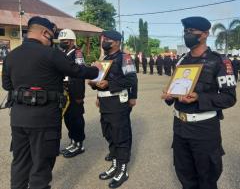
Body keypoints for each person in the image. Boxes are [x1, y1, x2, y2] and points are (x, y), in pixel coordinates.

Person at [1, 16, 101, 189]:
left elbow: (7, 85)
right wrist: (96, 70)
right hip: (44, 119)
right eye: (52, 36)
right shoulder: (51, 54)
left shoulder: (11, 56)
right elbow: (76, 70)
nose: (53, 41)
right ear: (45, 33)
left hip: (18, 119)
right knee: (41, 166)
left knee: (20, 162)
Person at [162, 16, 236, 189]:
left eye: (191, 31)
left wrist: (199, 97)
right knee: (185, 175)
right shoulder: (182, 60)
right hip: (179, 127)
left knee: (207, 178)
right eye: (186, 31)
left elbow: (229, 98)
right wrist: (170, 96)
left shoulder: (219, 62)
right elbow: (176, 88)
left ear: (204, 34)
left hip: (204, 130)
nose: (187, 35)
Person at [88, 30, 138, 188]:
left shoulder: (124, 57)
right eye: (104, 39)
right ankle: (115, 165)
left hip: (117, 102)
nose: (105, 41)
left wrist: (112, 86)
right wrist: (95, 88)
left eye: (108, 39)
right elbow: (101, 79)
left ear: (117, 42)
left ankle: (123, 169)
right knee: (108, 133)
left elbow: (131, 79)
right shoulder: (105, 59)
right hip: (105, 103)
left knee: (120, 136)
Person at [57, 29, 87, 158]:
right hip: (65, 91)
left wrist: (80, 95)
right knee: (68, 118)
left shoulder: (77, 53)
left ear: (72, 41)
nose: (63, 42)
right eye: (61, 41)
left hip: (75, 91)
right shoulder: (63, 53)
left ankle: (79, 144)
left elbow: (80, 74)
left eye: (66, 41)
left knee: (76, 119)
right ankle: (73, 141)